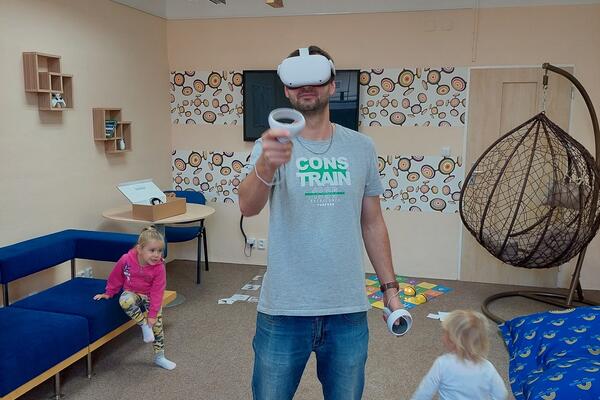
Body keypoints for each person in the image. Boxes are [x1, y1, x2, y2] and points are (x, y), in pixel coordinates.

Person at [238, 45, 404, 400]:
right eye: (297, 81)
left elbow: (373, 222)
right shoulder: (271, 145)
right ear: (286, 89)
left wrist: (390, 289)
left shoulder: (361, 147)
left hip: (347, 308)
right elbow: (247, 207)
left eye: (316, 78)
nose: (306, 87)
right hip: (284, 308)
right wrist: (266, 164)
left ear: (332, 84)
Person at [93, 226, 176, 370]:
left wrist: (152, 315)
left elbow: (157, 291)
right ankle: (143, 326)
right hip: (132, 292)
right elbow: (116, 276)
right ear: (139, 249)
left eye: (159, 251)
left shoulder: (159, 267)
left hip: (150, 295)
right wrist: (109, 292)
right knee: (125, 300)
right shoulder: (126, 259)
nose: (156, 255)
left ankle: (160, 357)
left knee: (157, 326)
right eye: (152, 250)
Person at [410, 310, 508, 400]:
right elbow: (501, 394)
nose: (442, 335)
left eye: (445, 332)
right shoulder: (487, 367)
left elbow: (424, 392)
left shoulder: (442, 364)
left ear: (453, 339)